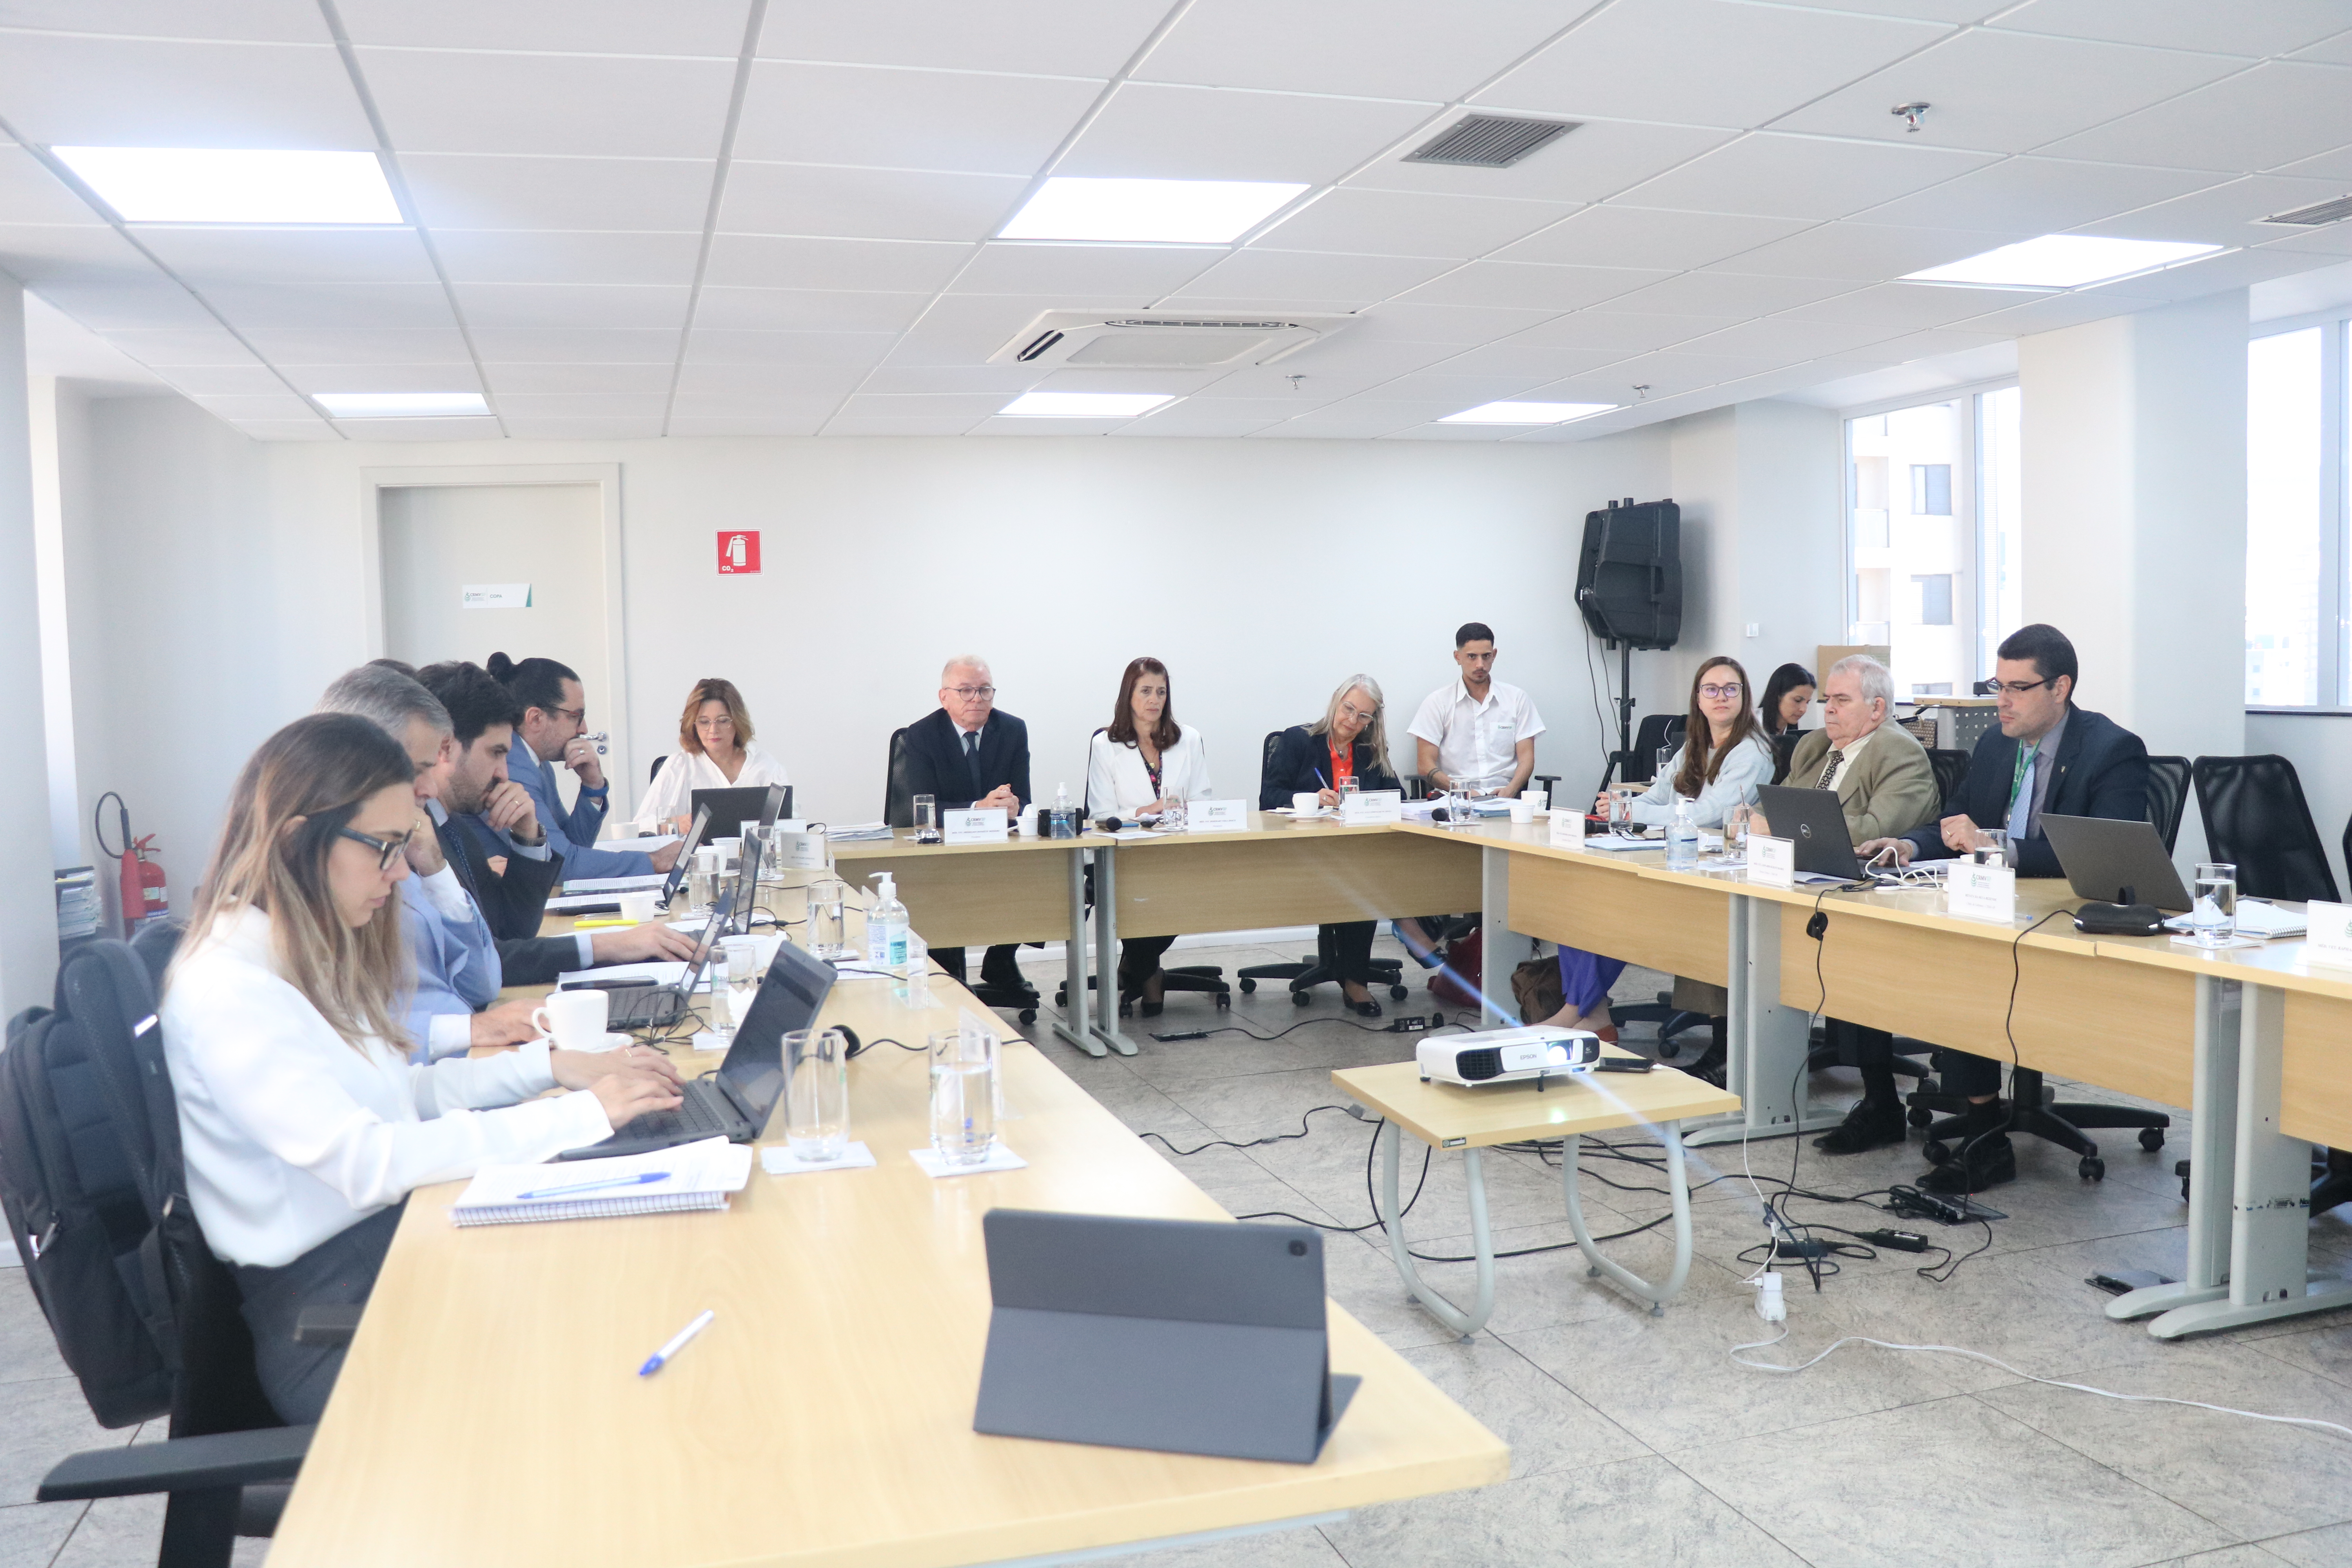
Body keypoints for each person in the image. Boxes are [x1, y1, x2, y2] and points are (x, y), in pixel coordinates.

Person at [159, 713, 684, 1424]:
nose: (400, 872)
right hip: (335, 1322)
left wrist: (554, 1070)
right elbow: (368, 1159)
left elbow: (398, 1091)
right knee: (602, 1355)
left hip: (387, 1254)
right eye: (384, 849)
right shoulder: (229, 986)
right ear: (295, 841)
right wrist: (579, 1116)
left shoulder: (294, 948)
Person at [1858, 623, 2150, 1192]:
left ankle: (1987, 1135)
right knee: (1927, 943)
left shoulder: (2113, 750)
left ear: (2060, 688)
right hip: (1992, 909)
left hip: (2069, 920)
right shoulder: (1996, 743)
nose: (2003, 701)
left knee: (1966, 963)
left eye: (2018, 688)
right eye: (1999, 685)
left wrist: (1997, 850)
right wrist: (1911, 845)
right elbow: (1956, 822)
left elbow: (2105, 858)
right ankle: (1970, 1112)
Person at [1760, 655, 1942, 1161]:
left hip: (1876, 894)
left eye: (1842, 701)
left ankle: (1881, 1102)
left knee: (1852, 953)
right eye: (1826, 700)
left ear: (1878, 707)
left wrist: (1779, 826)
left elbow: (1878, 830)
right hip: (1805, 876)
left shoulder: (1900, 754)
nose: (1828, 711)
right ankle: (1733, 1054)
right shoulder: (1815, 746)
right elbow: (1782, 806)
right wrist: (1753, 816)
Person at [418, 661, 696, 987]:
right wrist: (613, 942)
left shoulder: (455, 825)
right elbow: (481, 960)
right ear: (445, 749)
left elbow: (513, 927)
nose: (503, 773)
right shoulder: (422, 834)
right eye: (495, 753)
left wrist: (536, 830)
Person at [1544, 657, 1775, 1047]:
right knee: (1582, 891)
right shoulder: (1694, 746)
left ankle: (1577, 1010)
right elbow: (1657, 796)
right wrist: (1621, 805)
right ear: (1698, 699)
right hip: (1673, 852)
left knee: (1619, 902)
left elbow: (1709, 814)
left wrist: (1633, 812)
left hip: (1713, 867)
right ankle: (1591, 1011)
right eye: (1711, 689)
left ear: (1745, 697)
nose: (1721, 697)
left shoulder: (1751, 752)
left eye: (1731, 689)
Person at [316, 663, 539, 1059]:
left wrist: (435, 867)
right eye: (421, 767)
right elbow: (341, 1035)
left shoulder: (408, 850)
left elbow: (484, 983)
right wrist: (469, 1029)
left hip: (454, 1072)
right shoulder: (332, 870)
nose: (434, 786)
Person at [1259, 676, 1400, 1017]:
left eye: (1364, 716)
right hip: (1303, 851)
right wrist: (1309, 798)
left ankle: (1355, 979)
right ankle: (1357, 979)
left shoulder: (1369, 750)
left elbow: (1398, 798)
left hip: (1354, 850)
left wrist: (1368, 804)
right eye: (1349, 709)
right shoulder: (1298, 741)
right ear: (1336, 702)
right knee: (1357, 878)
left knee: (1363, 872)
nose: (1353, 721)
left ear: (1373, 721)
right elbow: (1268, 798)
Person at [894, 655, 1034, 999]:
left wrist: (1014, 808)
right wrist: (979, 809)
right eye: (966, 691)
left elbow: (1024, 800)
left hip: (998, 846)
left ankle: (1002, 958)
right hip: (941, 851)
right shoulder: (921, 735)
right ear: (944, 697)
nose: (977, 699)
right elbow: (921, 811)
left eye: (985, 690)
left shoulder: (1012, 729)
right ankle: (947, 972)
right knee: (941, 886)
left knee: (1042, 872)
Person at [1085, 658, 1212, 1014]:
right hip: (1127, 854)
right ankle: (1149, 972)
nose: (1154, 699)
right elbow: (1099, 813)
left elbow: (1203, 799)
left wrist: (1181, 811)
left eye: (1161, 692)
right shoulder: (1106, 744)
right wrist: (1143, 813)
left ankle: (1133, 969)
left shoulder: (1188, 739)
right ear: (1129, 694)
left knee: (1178, 889)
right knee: (1140, 891)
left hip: (1178, 850)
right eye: (1145, 691)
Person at [486, 653, 680, 880]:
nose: (584, 729)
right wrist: (655, 861)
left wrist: (593, 787)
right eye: (577, 716)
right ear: (536, 718)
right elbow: (563, 865)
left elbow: (572, 846)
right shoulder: (511, 766)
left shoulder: (537, 763)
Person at [634, 676, 793, 833]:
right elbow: (640, 825)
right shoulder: (679, 765)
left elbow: (791, 821)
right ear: (693, 725)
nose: (713, 730)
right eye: (704, 722)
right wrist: (676, 823)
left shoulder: (763, 764)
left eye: (723, 721)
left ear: (737, 722)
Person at [1757, 662, 1816, 789]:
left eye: (1807, 702)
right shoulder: (1751, 727)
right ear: (1778, 695)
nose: (1803, 709)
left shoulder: (1791, 735)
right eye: (1798, 701)